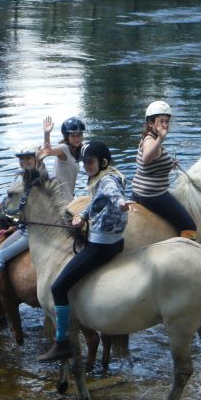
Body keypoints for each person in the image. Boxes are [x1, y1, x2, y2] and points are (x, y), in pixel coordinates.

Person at [38, 140, 134, 362]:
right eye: (84, 162)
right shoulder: (105, 176)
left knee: (58, 287)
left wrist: (121, 204)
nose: (86, 166)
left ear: (103, 162)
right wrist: (82, 216)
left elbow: (113, 195)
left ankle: (62, 342)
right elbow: (97, 202)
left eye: (90, 162)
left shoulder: (108, 181)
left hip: (102, 246)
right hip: (114, 241)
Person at [0, 141, 42, 318]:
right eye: (22, 159)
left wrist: (15, 221)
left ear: (36, 159)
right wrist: (14, 225)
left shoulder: (32, 179)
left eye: (28, 158)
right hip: (35, 228)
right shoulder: (33, 177)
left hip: (31, 231)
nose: (24, 162)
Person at [131, 100, 197, 240]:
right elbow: (146, 158)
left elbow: (151, 164)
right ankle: (184, 251)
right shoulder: (151, 140)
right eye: (161, 121)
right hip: (153, 196)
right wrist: (161, 138)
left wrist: (169, 163)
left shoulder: (148, 138)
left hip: (138, 192)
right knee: (190, 226)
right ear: (150, 123)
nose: (165, 125)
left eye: (167, 121)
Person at [41, 115, 85, 203]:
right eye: (73, 136)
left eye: (79, 135)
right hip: (59, 201)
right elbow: (47, 152)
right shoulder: (64, 148)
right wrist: (47, 133)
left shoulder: (78, 150)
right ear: (67, 137)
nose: (77, 139)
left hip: (68, 199)